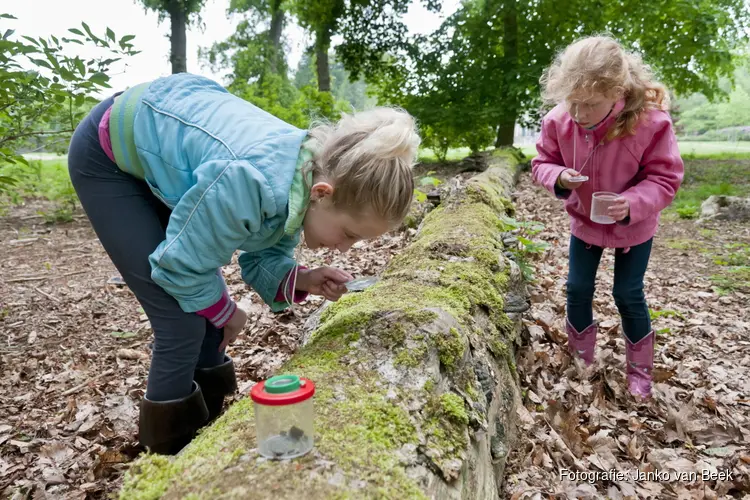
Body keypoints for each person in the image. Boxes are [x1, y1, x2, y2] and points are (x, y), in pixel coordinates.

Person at [68, 73, 420, 453]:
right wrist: (225, 312)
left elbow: (264, 252)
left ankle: (206, 431)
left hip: (167, 146)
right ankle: (168, 462)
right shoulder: (252, 181)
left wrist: (304, 279)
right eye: (349, 234)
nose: (346, 248)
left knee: (201, 314)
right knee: (181, 321)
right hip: (108, 151)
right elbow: (180, 266)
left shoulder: (302, 177)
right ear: (322, 193)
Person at [531, 36, 684, 399]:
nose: (580, 114)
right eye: (573, 103)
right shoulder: (559, 121)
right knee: (577, 288)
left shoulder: (650, 123)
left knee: (628, 293)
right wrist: (559, 177)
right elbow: (541, 164)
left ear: (617, 91)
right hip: (585, 220)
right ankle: (582, 359)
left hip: (634, 225)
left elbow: (666, 177)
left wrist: (633, 202)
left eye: (590, 104)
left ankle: (640, 371)